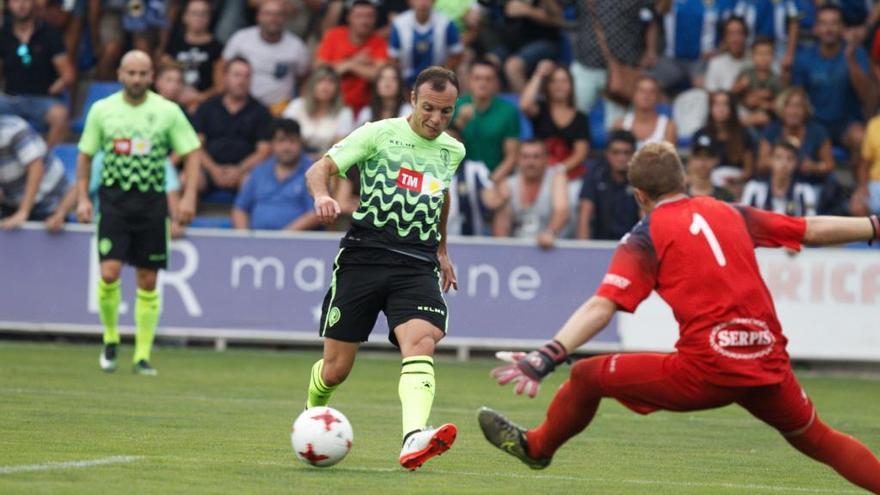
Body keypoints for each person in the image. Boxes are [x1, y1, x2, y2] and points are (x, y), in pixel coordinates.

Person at [477, 141, 880, 493]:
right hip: (766, 360)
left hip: (705, 371)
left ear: (639, 195)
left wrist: (547, 355)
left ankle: (537, 448)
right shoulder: (731, 212)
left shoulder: (645, 236)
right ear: (683, 180)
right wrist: (873, 225)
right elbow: (809, 228)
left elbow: (603, 305)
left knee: (586, 377)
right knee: (818, 438)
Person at [302, 66, 465, 471]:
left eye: (446, 112)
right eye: (429, 108)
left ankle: (413, 437)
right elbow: (319, 168)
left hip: (416, 263)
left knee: (422, 340)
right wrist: (323, 196)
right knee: (336, 370)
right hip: (364, 256)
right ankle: (311, 413)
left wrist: (443, 249)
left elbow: (440, 195)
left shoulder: (453, 150)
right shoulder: (377, 133)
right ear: (412, 98)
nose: (435, 120)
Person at [75, 51, 202, 376]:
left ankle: (142, 355)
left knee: (148, 280)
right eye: (131, 72)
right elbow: (85, 156)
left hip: (151, 203)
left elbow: (191, 151)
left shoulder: (167, 111)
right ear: (120, 74)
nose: (136, 79)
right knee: (109, 273)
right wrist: (82, 198)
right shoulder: (102, 110)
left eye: (143, 73)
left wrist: (188, 196)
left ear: (151, 76)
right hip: (114, 201)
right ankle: (110, 336)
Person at [791, 5, 871, 177]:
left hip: (845, 122)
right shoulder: (804, 58)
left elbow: (868, 96)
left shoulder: (856, 53)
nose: (829, 29)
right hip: (813, 121)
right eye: (824, 23)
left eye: (834, 23)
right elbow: (797, 96)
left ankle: (857, 195)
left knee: (862, 140)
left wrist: (850, 58)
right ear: (816, 29)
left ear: (842, 28)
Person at [0, 0, 75, 149]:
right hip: (9, 99)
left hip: (41, 99)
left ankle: (46, 161)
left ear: (33, 3)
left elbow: (68, 74)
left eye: (25, 0)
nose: (21, 5)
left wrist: (55, 87)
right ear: (8, 5)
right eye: (15, 1)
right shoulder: (3, 34)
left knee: (60, 116)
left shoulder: (49, 33)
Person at [193, 57, 272, 193]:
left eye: (247, 76)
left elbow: (264, 151)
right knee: (187, 178)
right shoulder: (207, 107)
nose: (242, 81)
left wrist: (239, 170)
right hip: (209, 169)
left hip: (244, 171)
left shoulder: (261, 111)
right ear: (225, 77)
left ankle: (243, 215)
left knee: (250, 182)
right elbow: (195, 146)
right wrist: (213, 169)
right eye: (237, 75)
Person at [221, 0, 311, 112]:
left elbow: (303, 78)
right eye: (268, 14)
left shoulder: (297, 47)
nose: (273, 19)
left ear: (285, 18)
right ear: (258, 16)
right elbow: (222, 67)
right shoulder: (241, 39)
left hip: (279, 111)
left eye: (278, 14)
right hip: (242, 109)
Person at [232, 119, 320, 230]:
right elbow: (240, 208)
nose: (286, 147)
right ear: (272, 144)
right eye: (281, 141)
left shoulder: (313, 172)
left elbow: (316, 213)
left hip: (296, 243)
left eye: (292, 141)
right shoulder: (259, 171)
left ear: (300, 143)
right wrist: (244, 238)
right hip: (257, 241)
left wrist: (282, 238)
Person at [481, 139, 568, 249]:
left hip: (552, 247)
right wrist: (502, 251)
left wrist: (549, 233)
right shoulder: (509, 184)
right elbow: (502, 228)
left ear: (546, 159)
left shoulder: (556, 178)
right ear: (518, 160)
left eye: (536, 157)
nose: (530, 162)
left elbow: (562, 211)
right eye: (525, 157)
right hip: (518, 249)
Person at [520, 60, 590, 181]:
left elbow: (580, 153)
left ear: (571, 86)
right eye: (554, 81)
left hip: (570, 176)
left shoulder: (580, 118)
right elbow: (525, 105)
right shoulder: (540, 110)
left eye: (564, 81)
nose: (559, 86)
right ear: (547, 86)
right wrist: (539, 74)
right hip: (538, 173)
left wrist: (558, 170)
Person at [315, 0, 389, 113]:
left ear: (375, 19)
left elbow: (380, 75)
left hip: (365, 109)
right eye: (359, 16)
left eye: (369, 16)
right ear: (349, 17)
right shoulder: (334, 35)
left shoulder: (379, 42)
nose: (364, 21)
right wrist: (354, 62)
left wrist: (349, 66)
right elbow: (320, 69)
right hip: (331, 106)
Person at [452, 59, 520, 181]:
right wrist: (460, 123)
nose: (483, 83)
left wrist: (490, 182)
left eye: (488, 79)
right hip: (458, 178)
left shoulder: (508, 111)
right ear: (469, 81)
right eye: (477, 78)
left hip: (495, 178)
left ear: (496, 83)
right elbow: (443, 150)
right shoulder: (455, 106)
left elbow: (512, 157)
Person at [0, 114, 68, 229]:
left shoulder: (14, 129)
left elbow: (36, 168)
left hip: (48, 198)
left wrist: (23, 212)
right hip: (12, 201)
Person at [756, 87, 833, 183]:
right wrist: (780, 163)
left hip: (808, 185)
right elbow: (761, 164)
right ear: (782, 109)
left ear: (806, 110)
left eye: (798, 106)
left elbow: (829, 165)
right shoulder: (772, 130)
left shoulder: (818, 131)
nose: (793, 111)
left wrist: (813, 167)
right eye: (789, 106)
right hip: (775, 186)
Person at [575, 130, 641, 240]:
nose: (621, 158)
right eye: (616, 152)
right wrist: (583, 248)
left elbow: (645, 217)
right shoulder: (595, 174)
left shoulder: (641, 179)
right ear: (607, 154)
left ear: (634, 154)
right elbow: (584, 214)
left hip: (632, 248)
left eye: (627, 152)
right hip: (599, 245)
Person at [163, 0, 224, 112]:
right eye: (194, 13)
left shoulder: (217, 48)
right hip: (173, 99)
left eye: (203, 14)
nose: (199, 17)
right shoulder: (174, 43)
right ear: (185, 16)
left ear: (210, 17)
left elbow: (220, 87)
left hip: (204, 105)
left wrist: (199, 98)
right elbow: (164, 75)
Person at [282, 66, 356, 155]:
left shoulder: (344, 112)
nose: (325, 86)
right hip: (295, 158)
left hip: (328, 161)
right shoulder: (296, 105)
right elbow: (285, 136)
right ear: (312, 85)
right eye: (320, 81)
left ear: (337, 88)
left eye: (331, 82)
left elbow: (340, 147)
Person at [388, 0, 463, 87]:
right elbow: (393, 59)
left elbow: (457, 54)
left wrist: (442, 74)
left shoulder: (446, 22)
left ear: (434, 1)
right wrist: (402, 84)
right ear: (409, 1)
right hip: (406, 82)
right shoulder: (399, 24)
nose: (423, 2)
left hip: (438, 80)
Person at [692, 91, 754, 188]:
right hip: (707, 183)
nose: (720, 109)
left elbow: (748, 170)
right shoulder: (700, 134)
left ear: (732, 109)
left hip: (736, 184)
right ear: (711, 108)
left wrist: (736, 180)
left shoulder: (744, 134)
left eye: (725, 104)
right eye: (716, 104)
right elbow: (693, 166)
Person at [612, 76, 677, 149]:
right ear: (633, 94)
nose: (646, 95)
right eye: (641, 91)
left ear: (658, 97)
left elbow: (669, 158)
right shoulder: (620, 125)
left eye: (652, 91)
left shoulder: (668, 127)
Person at [731, 36, 781, 132]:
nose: (763, 58)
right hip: (745, 112)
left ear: (773, 57)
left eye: (767, 54)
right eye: (759, 54)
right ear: (752, 56)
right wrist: (740, 86)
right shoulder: (746, 73)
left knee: (765, 119)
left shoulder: (775, 79)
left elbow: (780, 104)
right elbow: (732, 93)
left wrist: (764, 104)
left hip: (766, 116)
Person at [705, 16, 750, 92]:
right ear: (724, 38)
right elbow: (711, 95)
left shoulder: (756, 61)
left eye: (739, 33)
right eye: (730, 34)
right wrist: (735, 90)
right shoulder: (716, 63)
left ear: (745, 36)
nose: (735, 39)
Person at [686, 134, 736, 202]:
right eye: (698, 156)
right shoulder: (679, 197)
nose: (702, 162)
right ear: (690, 159)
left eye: (708, 156)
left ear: (716, 160)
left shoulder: (726, 197)